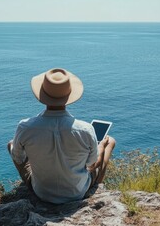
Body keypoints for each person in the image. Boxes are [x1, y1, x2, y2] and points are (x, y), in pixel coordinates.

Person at [7, 68, 115, 204]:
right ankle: (96, 186)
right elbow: (92, 164)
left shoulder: (25, 127)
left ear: (42, 94)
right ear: (69, 95)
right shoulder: (86, 129)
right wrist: (101, 145)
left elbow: (18, 157)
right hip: (78, 192)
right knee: (110, 141)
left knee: (11, 144)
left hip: (41, 193)